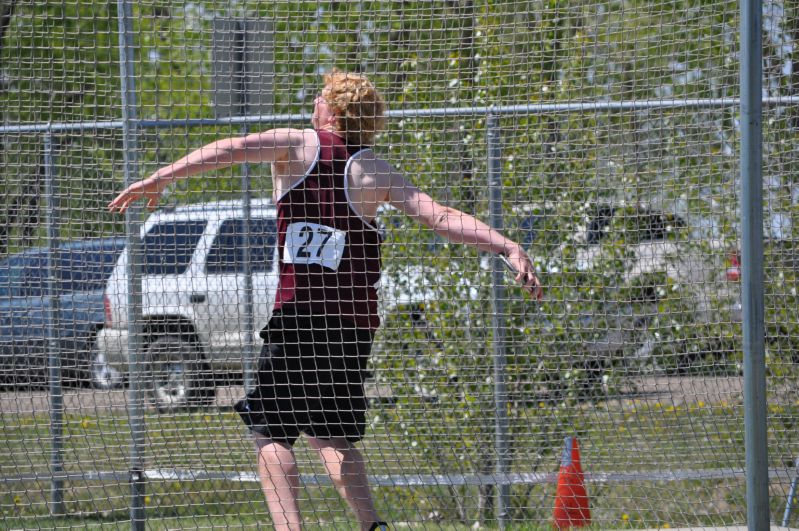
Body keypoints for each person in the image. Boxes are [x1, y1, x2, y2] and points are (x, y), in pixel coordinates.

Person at [108, 68, 542, 531]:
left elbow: (229, 150)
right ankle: (372, 525)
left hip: (298, 318)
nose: (313, 101)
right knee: (332, 437)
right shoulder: (375, 169)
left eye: (319, 97)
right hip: (352, 327)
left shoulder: (297, 145)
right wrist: (506, 245)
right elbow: (440, 217)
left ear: (332, 111)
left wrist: (159, 178)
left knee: (271, 434)